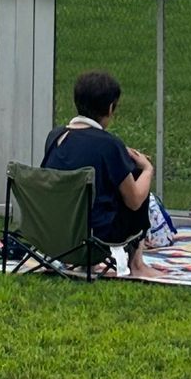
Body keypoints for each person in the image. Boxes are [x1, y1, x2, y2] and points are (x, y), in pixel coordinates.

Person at [41, 70, 158, 278]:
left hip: (54, 229)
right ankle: (137, 263)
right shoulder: (109, 145)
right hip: (96, 233)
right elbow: (134, 201)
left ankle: (84, 264)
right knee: (137, 177)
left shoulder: (55, 136)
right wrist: (147, 169)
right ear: (111, 108)